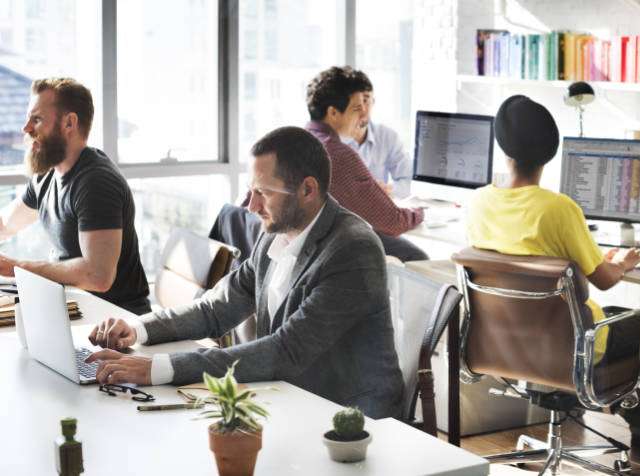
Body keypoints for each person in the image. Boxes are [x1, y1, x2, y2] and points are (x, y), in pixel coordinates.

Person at [86, 126, 404, 419]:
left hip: (351, 418)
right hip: (289, 398)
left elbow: (285, 351)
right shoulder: (273, 236)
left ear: (308, 189)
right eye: (251, 190)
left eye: (263, 192)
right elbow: (216, 308)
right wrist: (138, 329)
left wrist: (157, 368)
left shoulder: (352, 249)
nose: (251, 206)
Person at [466, 95, 640, 447]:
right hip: (573, 344)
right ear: (550, 152)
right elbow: (604, 279)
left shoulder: (477, 202)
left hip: (506, 341)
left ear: (503, 147)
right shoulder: (559, 208)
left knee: (608, 320)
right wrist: (623, 263)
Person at [0, 78, 150, 314]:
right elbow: (6, 224)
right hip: (76, 309)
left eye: (37, 119)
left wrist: (15, 268)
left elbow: (98, 275)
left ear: (69, 123)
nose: (26, 128)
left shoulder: (95, 182)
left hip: (115, 321)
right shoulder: (48, 174)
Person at [305, 66, 428, 263]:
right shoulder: (337, 154)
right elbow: (393, 222)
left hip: (307, 248)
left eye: (366, 103)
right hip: (324, 252)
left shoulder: (299, 139)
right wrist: (421, 212)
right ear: (333, 113)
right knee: (418, 257)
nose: (364, 114)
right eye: (356, 108)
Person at [342, 70, 412, 199]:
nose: (363, 109)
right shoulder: (332, 141)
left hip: (378, 209)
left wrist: (388, 189)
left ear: (373, 102)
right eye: (356, 103)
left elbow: (408, 180)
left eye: (366, 100)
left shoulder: (387, 136)